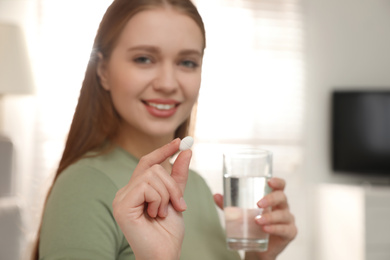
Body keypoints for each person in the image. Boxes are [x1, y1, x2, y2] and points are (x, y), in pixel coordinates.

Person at [32, 0, 297, 259]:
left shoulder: (197, 187)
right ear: (103, 70)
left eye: (187, 62)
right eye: (144, 59)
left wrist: (257, 257)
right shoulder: (83, 187)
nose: (168, 83)